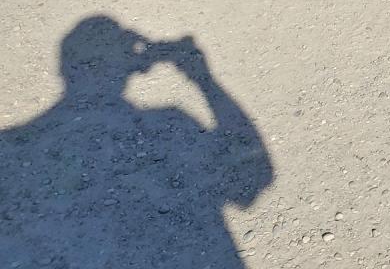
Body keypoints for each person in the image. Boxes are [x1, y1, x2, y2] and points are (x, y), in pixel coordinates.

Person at [0, 16, 272, 268]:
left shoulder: (8, 149)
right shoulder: (172, 122)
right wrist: (203, 78)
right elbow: (251, 181)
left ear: (64, 69)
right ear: (131, 65)